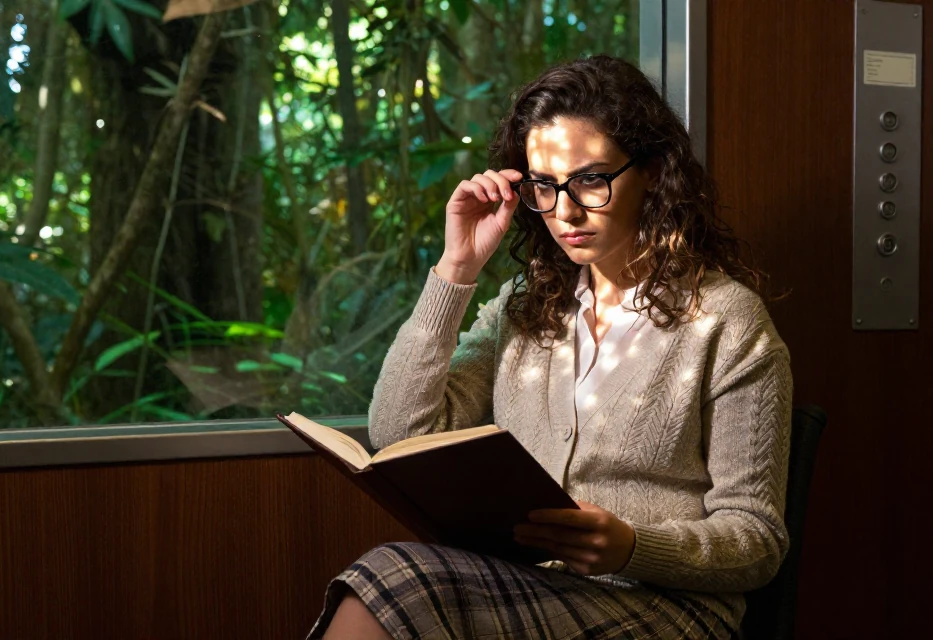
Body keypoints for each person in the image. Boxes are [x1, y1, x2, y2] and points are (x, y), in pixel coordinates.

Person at [308, 55, 793, 640]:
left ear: (654, 172)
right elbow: (397, 433)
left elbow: (757, 542)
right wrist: (456, 267)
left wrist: (633, 546)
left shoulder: (727, 322)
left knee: (393, 581)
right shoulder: (528, 303)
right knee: (387, 580)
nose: (564, 211)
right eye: (544, 185)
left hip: (671, 607)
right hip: (529, 585)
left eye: (591, 179)